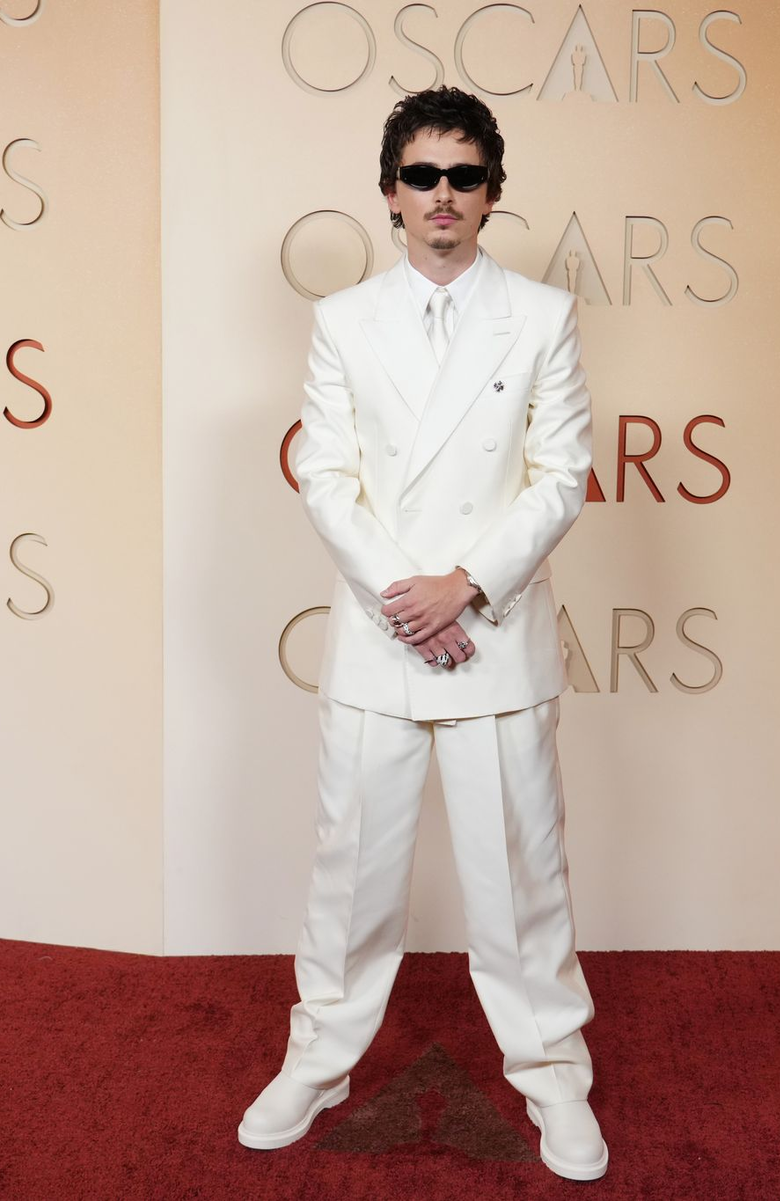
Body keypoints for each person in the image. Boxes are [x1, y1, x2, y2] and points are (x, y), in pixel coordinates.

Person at [238, 85, 606, 1182]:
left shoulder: (542, 315)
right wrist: (410, 598)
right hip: (382, 635)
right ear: (390, 192)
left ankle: (554, 1075)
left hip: (493, 634)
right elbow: (327, 476)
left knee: (521, 882)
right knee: (350, 876)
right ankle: (318, 1061)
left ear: (492, 192)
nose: (443, 194)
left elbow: (561, 476)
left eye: (464, 175)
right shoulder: (344, 320)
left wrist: (468, 587)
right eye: (422, 175)